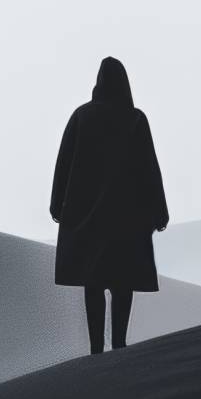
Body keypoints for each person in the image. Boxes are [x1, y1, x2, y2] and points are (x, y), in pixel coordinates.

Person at [50, 57, 169, 353]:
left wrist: (56, 205)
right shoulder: (135, 119)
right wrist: (159, 211)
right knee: (122, 284)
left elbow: (62, 165)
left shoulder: (82, 117)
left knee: (93, 282)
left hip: (88, 219)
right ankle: (119, 344)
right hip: (127, 223)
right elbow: (149, 169)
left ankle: (95, 349)